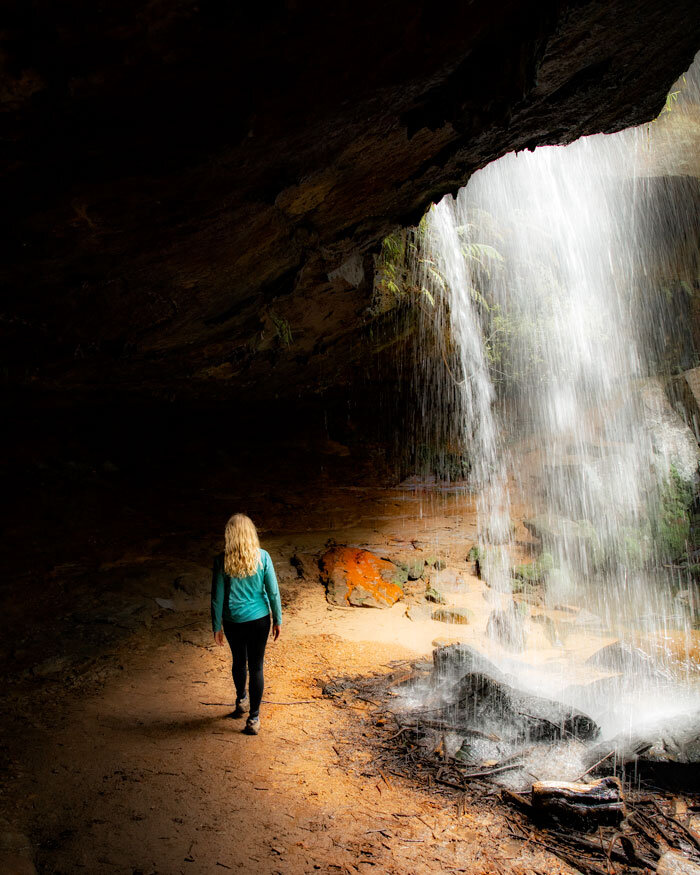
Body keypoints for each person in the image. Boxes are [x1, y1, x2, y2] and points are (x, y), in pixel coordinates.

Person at [211, 513, 282, 735]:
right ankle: (253, 719)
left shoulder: (221, 560)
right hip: (259, 619)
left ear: (230, 535)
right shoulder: (263, 557)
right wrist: (278, 619)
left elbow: (217, 597)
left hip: (233, 621)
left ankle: (241, 699)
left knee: (239, 661)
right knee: (257, 667)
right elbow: (273, 591)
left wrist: (216, 625)